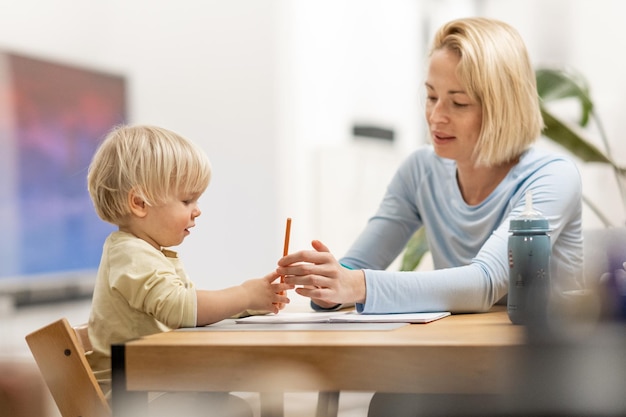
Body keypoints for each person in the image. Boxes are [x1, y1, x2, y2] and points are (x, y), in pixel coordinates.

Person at [276, 16, 583, 416]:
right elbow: (359, 267)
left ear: (501, 109)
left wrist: (355, 285)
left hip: (544, 375)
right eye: (431, 96)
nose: (436, 116)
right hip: (459, 366)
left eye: (458, 103)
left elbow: (484, 282)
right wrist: (324, 282)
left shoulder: (551, 177)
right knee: (391, 404)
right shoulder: (420, 170)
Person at [85, 124, 292, 417]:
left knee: (235, 399)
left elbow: (188, 308)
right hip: (133, 397)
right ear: (140, 203)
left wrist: (252, 302)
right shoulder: (129, 253)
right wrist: (244, 295)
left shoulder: (149, 252)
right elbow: (180, 308)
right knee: (236, 408)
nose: (197, 210)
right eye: (187, 200)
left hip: (154, 384)